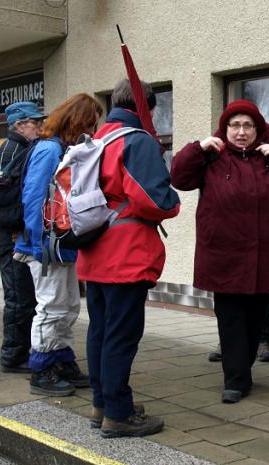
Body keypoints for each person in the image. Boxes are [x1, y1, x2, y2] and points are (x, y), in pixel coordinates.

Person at [172, 99, 269, 403]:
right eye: (234, 125)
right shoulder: (212, 157)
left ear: (257, 129)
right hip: (223, 254)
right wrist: (198, 147)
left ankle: (242, 369)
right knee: (231, 318)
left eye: (247, 125)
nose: (240, 132)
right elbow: (179, 177)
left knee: (254, 318)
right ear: (225, 130)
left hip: (263, 256)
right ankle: (235, 380)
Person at [77, 79, 181, 438]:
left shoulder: (96, 139)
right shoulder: (137, 141)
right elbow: (153, 200)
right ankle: (118, 413)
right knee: (122, 335)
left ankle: (101, 404)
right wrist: (172, 199)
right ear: (147, 108)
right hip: (126, 253)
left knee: (100, 332)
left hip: (94, 249)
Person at [14, 93, 102, 397]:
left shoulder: (56, 148)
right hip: (47, 246)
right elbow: (34, 198)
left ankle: (60, 361)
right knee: (52, 306)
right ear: (77, 121)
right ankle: (41, 368)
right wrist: (40, 245)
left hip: (56, 244)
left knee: (66, 306)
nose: (92, 128)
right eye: (90, 121)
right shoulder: (50, 150)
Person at [0, 102, 45, 373]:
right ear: (20, 125)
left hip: (14, 237)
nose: (41, 126)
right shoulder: (10, 152)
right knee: (19, 300)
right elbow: (3, 204)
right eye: (36, 122)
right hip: (8, 239)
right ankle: (13, 357)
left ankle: (21, 353)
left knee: (26, 299)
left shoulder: (20, 149)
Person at [208, 190, 269, 364]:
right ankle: (227, 342)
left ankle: (262, 340)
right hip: (230, 242)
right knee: (228, 296)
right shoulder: (219, 164)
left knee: (259, 295)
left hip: (262, 243)